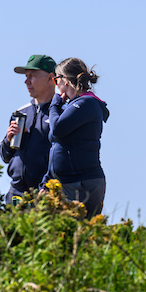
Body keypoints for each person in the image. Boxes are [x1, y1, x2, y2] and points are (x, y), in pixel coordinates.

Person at [42, 58, 110, 218]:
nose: (55, 85)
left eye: (55, 80)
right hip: (69, 182)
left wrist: (54, 104)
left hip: (81, 184)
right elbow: (57, 146)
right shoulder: (73, 106)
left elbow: (58, 129)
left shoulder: (86, 103)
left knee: (75, 236)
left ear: (65, 80)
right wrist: (46, 183)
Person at [0, 54, 57, 205]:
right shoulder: (20, 112)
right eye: (26, 76)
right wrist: (8, 139)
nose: (26, 81)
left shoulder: (62, 112)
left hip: (46, 195)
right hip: (15, 194)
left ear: (51, 78)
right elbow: (5, 156)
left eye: (32, 76)